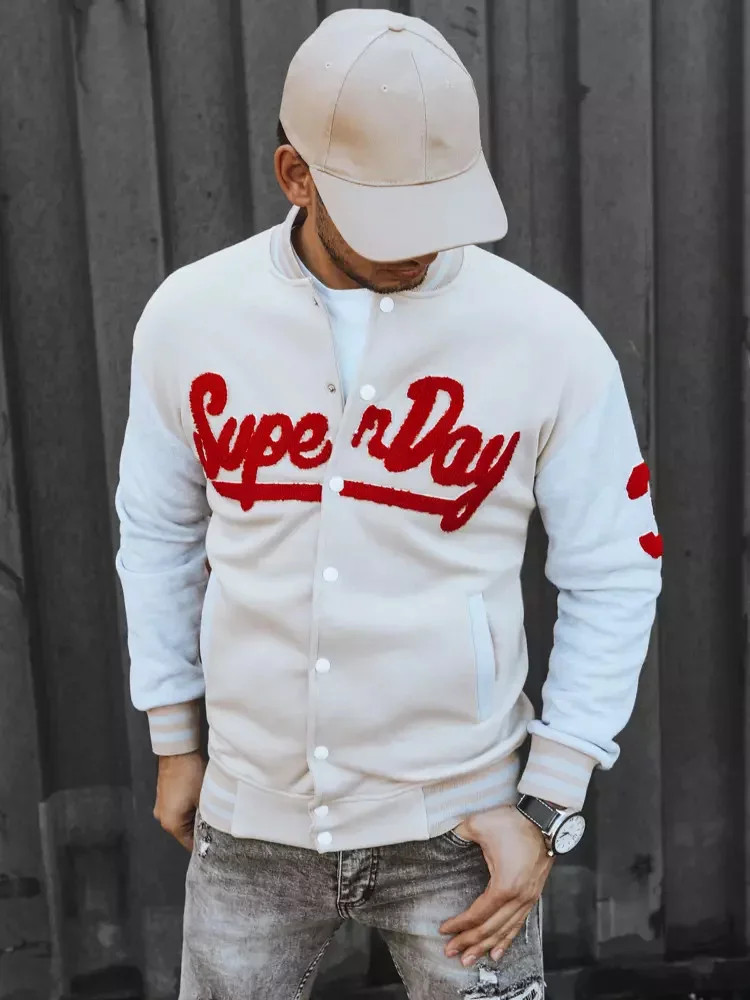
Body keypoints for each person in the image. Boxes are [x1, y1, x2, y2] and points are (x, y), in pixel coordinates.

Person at [114, 9, 662, 1000]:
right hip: (249, 818)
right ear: (296, 176)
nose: (423, 246)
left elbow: (615, 570)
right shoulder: (190, 319)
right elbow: (158, 532)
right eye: (390, 217)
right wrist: (174, 736)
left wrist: (549, 807)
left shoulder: (546, 337)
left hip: (462, 826)